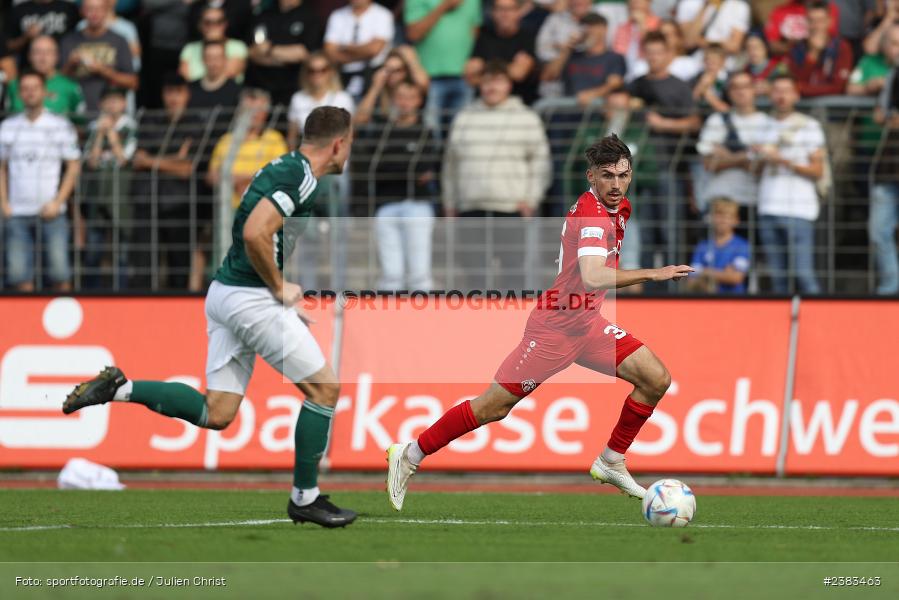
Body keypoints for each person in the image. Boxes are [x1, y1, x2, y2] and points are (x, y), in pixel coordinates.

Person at [63, 107, 358, 529]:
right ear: (339, 143)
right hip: (251, 298)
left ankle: (120, 388)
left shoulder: (282, 167)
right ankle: (305, 498)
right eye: (351, 143)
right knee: (325, 389)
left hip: (224, 292)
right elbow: (256, 232)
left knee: (217, 412)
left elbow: (258, 230)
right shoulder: (302, 178)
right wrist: (278, 286)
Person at [387, 134, 694, 510]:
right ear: (591, 177)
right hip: (556, 329)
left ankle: (611, 460)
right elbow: (593, 275)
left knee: (655, 378)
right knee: (493, 407)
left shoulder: (618, 207)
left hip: (588, 324)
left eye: (623, 175)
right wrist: (653, 273)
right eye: (607, 175)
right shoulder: (593, 216)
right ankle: (410, 453)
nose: (616, 184)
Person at [442, 60, 551, 290]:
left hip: (511, 208)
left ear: (509, 85)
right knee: (475, 277)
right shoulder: (464, 117)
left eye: (498, 81)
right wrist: (450, 202)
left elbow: (541, 162)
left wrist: (531, 199)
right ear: (480, 85)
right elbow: (451, 164)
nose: (492, 87)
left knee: (513, 276)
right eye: (487, 82)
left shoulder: (526, 118)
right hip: (470, 207)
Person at [0, 70, 81, 292]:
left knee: (60, 273)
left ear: (45, 91)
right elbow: (1, 167)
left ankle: (63, 314)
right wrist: (4, 203)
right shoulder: (7, 127)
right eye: (25, 89)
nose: (30, 93)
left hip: (52, 211)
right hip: (17, 212)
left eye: (35, 88)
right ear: (19, 93)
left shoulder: (60, 125)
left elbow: (73, 165)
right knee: (19, 276)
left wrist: (58, 202)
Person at [627, 31, 701, 270]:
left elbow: (694, 122)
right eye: (649, 53)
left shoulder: (679, 87)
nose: (654, 58)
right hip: (640, 169)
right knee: (644, 234)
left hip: (670, 166)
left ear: (669, 55)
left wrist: (664, 124)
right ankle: (647, 285)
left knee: (670, 231)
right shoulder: (635, 85)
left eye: (658, 53)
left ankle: (673, 285)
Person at [358, 80, 439, 290]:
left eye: (410, 97)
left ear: (419, 101)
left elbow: (424, 168)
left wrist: (393, 166)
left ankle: (424, 311)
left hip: (417, 204)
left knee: (420, 274)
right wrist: (407, 168)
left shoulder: (426, 131)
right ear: (394, 99)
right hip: (386, 205)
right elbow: (374, 167)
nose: (405, 102)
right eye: (401, 97)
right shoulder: (382, 131)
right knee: (391, 275)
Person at [128, 73, 200, 290]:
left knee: (179, 267)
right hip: (146, 202)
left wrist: (151, 161)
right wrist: (174, 159)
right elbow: (137, 160)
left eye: (178, 92)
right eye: (169, 92)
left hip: (179, 205)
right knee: (143, 267)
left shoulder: (195, 124)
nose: (173, 98)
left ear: (187, 95)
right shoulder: (150, 120)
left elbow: (187, 169)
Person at [755, 74, 825, 294]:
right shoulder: (762, 125)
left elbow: (818, 170)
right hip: (767, 208)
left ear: (796, 95)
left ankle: (820, 315)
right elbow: (754, 171)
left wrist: (782, 160)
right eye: (777, 90)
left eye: (786, 90)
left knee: (804, 276)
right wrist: (760, 158)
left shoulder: (809, 125)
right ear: (770, 95)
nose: (781, 96)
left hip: (799, 209)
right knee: (778, 280)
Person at [81, 86, 137, 289]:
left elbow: (124, 158)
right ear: (101, 104)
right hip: (97, 196)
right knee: (94, 248)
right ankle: (92, 291)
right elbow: (91, 161)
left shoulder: (130, 127)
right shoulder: (93, 127)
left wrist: (111, 134)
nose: (112, 105)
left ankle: (122, 291)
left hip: (121, 196)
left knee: (122, 250)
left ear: (124, 103)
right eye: (108, 100)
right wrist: (99, 134)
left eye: (117, 100)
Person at [405, 0, 481, 133]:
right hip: (429, 77)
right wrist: (443, 6)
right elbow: (413, 34)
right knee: (431, 133)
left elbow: (475, 30)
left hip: (464, 77)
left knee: (462, 132)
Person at [696, 71, 768, 212]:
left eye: (745, 86)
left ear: (754, 89)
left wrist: (727, 156)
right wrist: (747, 156)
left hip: (754, 200)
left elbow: (762, 167)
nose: (741, 92)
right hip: (720, 199)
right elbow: (709, 164)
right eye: (735, 87)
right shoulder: (717, 120)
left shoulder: (767, 123)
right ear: (729, 92)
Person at [208, 89, 289, 210]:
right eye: (248, 110)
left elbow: (281, 174)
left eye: (258, 110)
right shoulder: (226, 140)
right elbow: (211, 176)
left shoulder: (274, 139)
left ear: (265, 113)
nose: (253, 115)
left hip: (263, 209)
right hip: (228, 209)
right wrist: (241, 180)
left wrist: (237, 180)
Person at [58, 0, 137, 113]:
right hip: (77, 111)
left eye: (99, 9)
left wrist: (102, 70)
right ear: (82, 11)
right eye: (90, 9)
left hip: (111, 112)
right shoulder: (69, 41)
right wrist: (71, 64)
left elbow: (132, 82)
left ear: (106, 11)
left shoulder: (119, 40)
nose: (94, 13)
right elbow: (56, 82)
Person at [245, 0, 323, 108]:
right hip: (260, 87)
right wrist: (284, 57)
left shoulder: (310, 17)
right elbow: (251, 52)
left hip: (293, 88)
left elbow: (304, 53)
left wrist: (269, 50)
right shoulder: (263, 15)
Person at [869, 25, 899, 295]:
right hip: (889, 164)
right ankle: (891, 287)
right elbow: (881, 114)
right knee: (878, 230)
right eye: (894, 43)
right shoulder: (892, 75)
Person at [542, 13, 625, 107]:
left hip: (597, 110)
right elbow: (549, 76)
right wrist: (567, 48)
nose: (588, 30)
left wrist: (592, 94)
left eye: (593, 26)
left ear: (604, 29)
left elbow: (614, 83)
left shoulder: (613, 58)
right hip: (568, 110)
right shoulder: (572, 56)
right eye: (585, 26)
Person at [465, 0, 538, 104]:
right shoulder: (484, 35)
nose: (505, 14)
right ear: (492, 13)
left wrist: (486, 70)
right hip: (485, 104)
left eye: (509, 9)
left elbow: (518, 73)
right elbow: (471, 75)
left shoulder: (527, 37)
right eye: (500, 9)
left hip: (519, 104)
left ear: (518, 12)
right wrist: (507, 69)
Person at [323, 0, 395, 101]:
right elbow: (330, 52)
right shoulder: (337, 15)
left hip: (373, 73)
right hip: (341, 73)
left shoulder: (383, 14)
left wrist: (346, 47)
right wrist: (364, 51)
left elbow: (374, 50)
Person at [287, 53, 355, 149]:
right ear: (306, 73)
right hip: (306, 154)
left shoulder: (343, 98)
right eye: (312, 71)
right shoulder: (298, 98)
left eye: (323, 70)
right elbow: (292, 136)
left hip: (336, 153)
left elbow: (349, 135)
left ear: (331, 72)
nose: (317, 75)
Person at [785, 1, 853, 97]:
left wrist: (802, 89)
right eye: (811, 21)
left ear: (829, 21)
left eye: (820, 21)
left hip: (833, 103)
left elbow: (839, 87)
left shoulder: (841, 47)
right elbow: (795, 83)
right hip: (802, 103)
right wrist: (813, 53)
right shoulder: (797, 48)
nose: (816, 26)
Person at [5, 35, 84, 117]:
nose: (42, 58)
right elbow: (7, 117)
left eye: (48, 53)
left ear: (57, 56)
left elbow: (80, 121)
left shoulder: (70, 86)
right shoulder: (14, 85)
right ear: (29, 56)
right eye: (37, 52)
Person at [686, 197, 750, 294]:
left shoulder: (742, 245)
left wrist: (705, 272)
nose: (722, 220)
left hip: (734, 299)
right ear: (711, 218)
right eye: (719, 215)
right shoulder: (703, 245)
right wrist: (723, 274)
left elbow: (736, 278)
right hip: (707, 300)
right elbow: (691, 280)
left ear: (736, 220)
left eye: (727, 216)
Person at [535, 0, 597, 98]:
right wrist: (569, 47)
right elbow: (544, 54)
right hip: (556, 91)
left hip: (590, 90)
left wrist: (561, 46)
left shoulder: (600, 20)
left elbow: (603, 56)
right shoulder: (555, 20)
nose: (579, 2)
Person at [355, 46, 430, 125]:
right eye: (388, 70)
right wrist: (375, 88)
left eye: (398, 70)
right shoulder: (379, 90)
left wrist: (412, 60)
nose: (392, 74)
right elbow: (359, 121)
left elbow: (425, 85)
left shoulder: (412, 89)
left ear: (406, 71)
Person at [179, 6, 248, 83]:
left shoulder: (238, 46)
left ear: (225, 24)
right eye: (207, 22)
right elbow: (184, 79)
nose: (213, 26)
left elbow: (229, 74)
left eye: (219, 21)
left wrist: (215, 41)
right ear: (200, 25)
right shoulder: (190, 48)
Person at [7, 0, 80, 58]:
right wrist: (26, 37)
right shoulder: (19, 10)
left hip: (64, 64)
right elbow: (8, 47)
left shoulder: (69, 8)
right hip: (28, 66)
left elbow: (81, 36)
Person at [675, 0, 750, 56]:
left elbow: (734, 46)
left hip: (724, 62)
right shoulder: (689, 3)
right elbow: (689, 42)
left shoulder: (739, 6)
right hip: (695, 59)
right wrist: (705, 6)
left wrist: (704, 42)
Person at [764, 0, 839, 56]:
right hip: (786, 62)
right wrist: (797, 48)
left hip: (823, 59)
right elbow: (771, 45)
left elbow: (832, 40)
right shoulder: (779, 11)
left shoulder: (827, 9)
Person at [188, 40, 243, 110]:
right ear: (203, 59)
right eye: (209, 57)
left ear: (225, 59)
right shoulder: (189, 90)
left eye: (217, 58)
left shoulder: (237, 91)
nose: (213, 63)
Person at [743, 30, 785, 97]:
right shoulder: (744, 71)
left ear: (765, 48)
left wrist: (772, 89)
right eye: (748, 48)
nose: (752, 51)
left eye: (756, 47)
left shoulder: (779, 68)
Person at [690, 42, 730, 112]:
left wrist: (706, 91)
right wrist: (700, 86)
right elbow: (688, 103)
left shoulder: (730, 79)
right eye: (707, 62)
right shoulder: (696, 78)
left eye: (714, 62)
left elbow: (727, 110)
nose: (710, 66)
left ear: (722, 62)